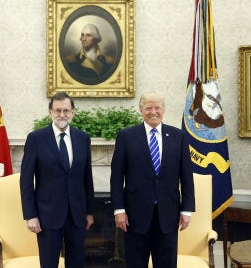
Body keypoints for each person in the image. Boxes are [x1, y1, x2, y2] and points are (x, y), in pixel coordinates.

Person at [110, 92, 195, 268]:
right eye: (148, 108)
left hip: (168, 215)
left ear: (163, 110)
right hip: (134, 216)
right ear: (141, 110)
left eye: (157, 107)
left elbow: (186, 176)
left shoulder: (178, 137)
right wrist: (119, 209)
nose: (153, 112)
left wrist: (187, 210)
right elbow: (117, 177)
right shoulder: (126, 136)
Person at [20, 91, 95, 268]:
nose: (62, 115)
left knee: (76, 263)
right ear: (50, 112)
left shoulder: (83, 138)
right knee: (49, 264)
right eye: (58, 110)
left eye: (66, 111)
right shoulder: (36, 139)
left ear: (73, 112)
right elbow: (26, 180)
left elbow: (87, 177)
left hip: (77, 215)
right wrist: (30, 215)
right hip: (47, 215)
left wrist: (89, 211)